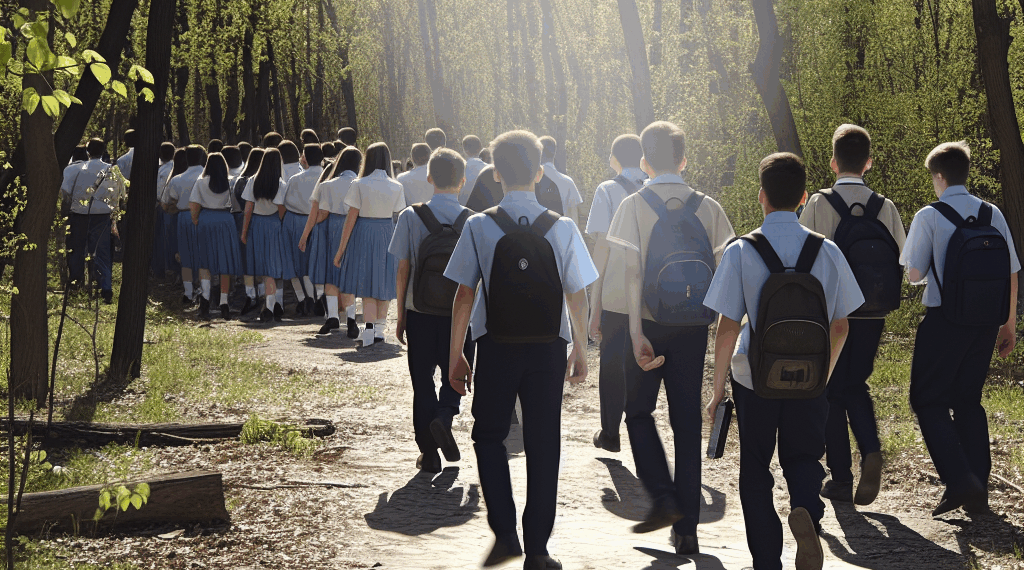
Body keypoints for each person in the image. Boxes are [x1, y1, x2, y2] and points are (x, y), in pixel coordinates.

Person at [704, 152, 863, 570]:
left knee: (755, 465)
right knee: (804, 457)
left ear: (761, 197)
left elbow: (726, 327)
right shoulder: (826, 250)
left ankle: (766, 560)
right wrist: (821, 377)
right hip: (811, 376)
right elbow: (842, 326)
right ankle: (807, 510)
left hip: (754, 377)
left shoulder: (741, 250)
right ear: (804, 198)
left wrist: (718, 389)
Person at [444, 130, 594, 570]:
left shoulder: (478, 224)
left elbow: (464, 296)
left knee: (489, 435)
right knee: (544, 441)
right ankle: (539, 548)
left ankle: (505, 531)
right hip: (549, 346)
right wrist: (581, 349)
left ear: (494, 174)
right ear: (541, 171)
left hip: (495, 345)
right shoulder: (562, 227)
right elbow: (579, 294)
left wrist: (457, 353)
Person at [607, 122, 734, 553]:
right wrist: (712, 320)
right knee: (686, 424)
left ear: (642, 161)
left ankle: (663, 497)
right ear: (684, 159)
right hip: (694, 327)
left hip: (649, 323)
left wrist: (636, 331)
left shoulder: (633, 203)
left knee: (639, 412)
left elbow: (632, 272)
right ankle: (689, 531)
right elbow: (725, 270)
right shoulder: (709, 207)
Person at [901, 141, 1019, 516]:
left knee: (927, 400)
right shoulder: (992, 213)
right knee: (967, 400)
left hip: (944, 320)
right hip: (985, 321)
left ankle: (960, 480)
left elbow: (915, 274)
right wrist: (1009, 323)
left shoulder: (929, 215)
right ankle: (978, 491)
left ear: (939, 176)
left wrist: (914, 270)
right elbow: (1011, 270)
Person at [798, 125, 907, 506]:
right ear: (869, 163)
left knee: (828, 389)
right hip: (872, 311)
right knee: (855, 383)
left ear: (832, 162)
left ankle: (841, 479)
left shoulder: (817, 204)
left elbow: (803, 259)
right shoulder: (885, 206)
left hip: (829, 313)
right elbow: (904, 263)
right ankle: (871, 448)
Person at [389, 147, 476, 473]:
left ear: (429, 177)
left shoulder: (412, 216)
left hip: (420, 312)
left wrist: (401, 315)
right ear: (463, 180)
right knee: (456, 374)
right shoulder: (472, 220)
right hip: (460, 316)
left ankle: (429, 454)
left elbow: (402, 269)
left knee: (422, 383)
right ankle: (445, 415)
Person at [585, 133, 647, 453]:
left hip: (616, 292)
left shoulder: (607, 190)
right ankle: (640, 427)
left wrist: (593, 304)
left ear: (613, 160)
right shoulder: (657, 189)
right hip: (654, 293)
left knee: (612, 359)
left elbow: (601, 247)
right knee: (642, 360)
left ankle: (610, 432)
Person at [333, 142, 406, 346]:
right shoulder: (397, 185)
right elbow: (398, 214)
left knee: (367, 282)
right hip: (386, 232)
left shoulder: (359, 184)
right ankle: (380, 330)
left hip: (363, 232)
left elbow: (351, 219)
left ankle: (369, 330)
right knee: (383, 280)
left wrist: (340, 251)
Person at [302, 146, 362, 337]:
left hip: (332, 228)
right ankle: (352, 319)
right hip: (355, 228)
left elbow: (322, 213)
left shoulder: (327, 185)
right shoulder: (360, 183)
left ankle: (333, 316)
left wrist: (307, 233)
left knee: (330, 273)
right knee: (349, 274)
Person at [61, 138, 122, 303]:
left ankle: (76, 283)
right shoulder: (112, 170)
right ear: (103, 151)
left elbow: (65, 192)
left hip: (79, 214)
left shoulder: (75, 169)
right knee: (102, 251)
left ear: (87, 151)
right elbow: (116, 196)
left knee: (77, 249)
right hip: (102, 215)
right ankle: (106, 288)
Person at [190, 153, 242, 320]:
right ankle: (224, 302)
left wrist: (197, 219)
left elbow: (194, 204)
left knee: (204, 262)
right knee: (224, 262)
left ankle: (205, 301)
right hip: (225, 220)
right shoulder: (231, 181)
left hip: (206, 219)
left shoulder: (200, 181)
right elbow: (235, 205)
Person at [242, 147, 288, 323]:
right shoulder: (280, 184)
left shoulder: (253, 181)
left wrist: (244, 232)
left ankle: (270, 305)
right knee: (274, 267)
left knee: (264, 268)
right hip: (274, 224)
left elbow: (248, 209)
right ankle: (273, 305)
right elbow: (282, 209)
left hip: (257, 224)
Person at [281, 143, 324, 316]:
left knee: (297, 263)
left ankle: (304, 298)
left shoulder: (295, 179)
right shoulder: (327, 177)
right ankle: (320, 296)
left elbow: (285, 202)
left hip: (296, 221)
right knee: (317, 261)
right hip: (321, 221)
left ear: (305, 158)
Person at [164, 145, 207, 304]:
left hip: (183, 216)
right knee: (202, 253)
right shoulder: (207, 176)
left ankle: (188, 292)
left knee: (185, 254)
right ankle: (203, 289)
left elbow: (169, 201)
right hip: (203, 215)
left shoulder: (178, 179)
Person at [233, 148, 265, 315]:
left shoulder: (240, 180)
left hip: (241, 221)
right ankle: (261, 294)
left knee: (246, 261)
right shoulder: (262, 180)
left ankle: (249, 295)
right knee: (259, 259)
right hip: (259, 220)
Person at [538, 136, 583, 226]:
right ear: (554, 153)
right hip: (561, 234)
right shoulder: (568, 182)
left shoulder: (530, 181)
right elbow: (573, 217)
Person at [151, 142, 177, 278]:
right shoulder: (164, 167)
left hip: (163, 206)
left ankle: (163, 268)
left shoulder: (167, 169)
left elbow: (161, 190)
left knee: (163, 238)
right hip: (162, 205)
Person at [458, 135, 487, 205]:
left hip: (464, 211)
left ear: (465, 150)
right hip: (485, 211)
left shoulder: (459, 170)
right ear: (480, 148)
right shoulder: (490, 168)